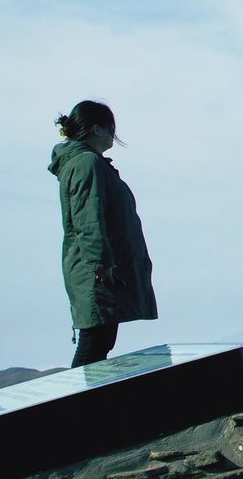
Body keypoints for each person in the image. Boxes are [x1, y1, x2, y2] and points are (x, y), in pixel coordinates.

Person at [48, 101, 158, 367]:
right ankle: (75, 407)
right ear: (96, 129)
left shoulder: (86, 162)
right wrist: (101, 263)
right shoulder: (87, 163)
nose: (113, 134)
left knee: (100, 341)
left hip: (96, 269)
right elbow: (87, 218)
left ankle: (83, 405)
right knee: (94, 343)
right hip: (96, 272)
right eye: (111, 128)